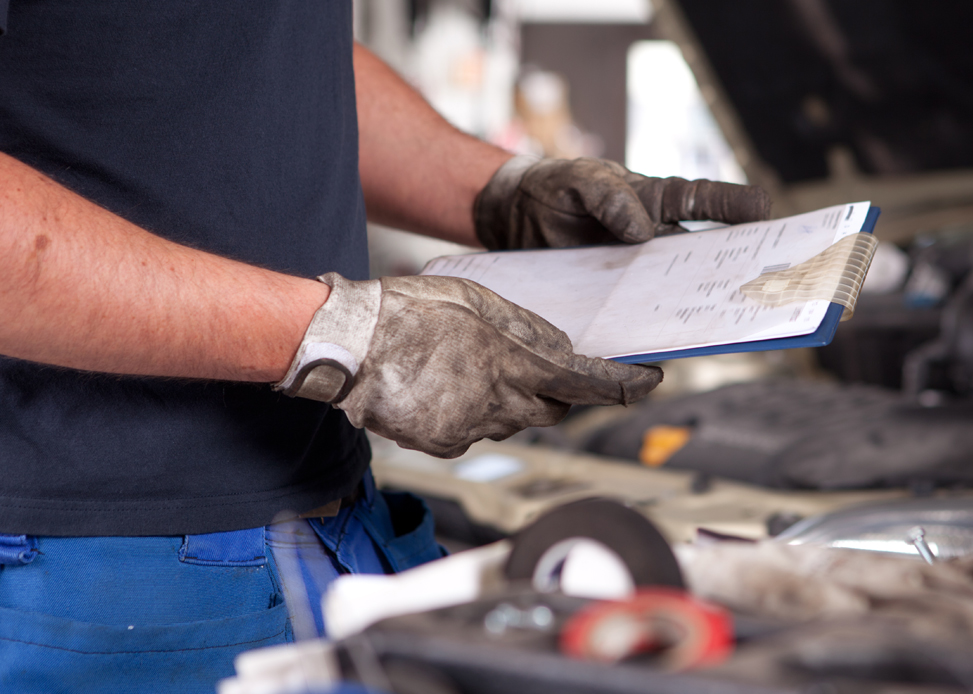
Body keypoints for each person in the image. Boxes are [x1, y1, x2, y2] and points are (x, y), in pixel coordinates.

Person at [0, 3, 770, 692]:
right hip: (89, 575)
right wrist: (337, 335)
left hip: (334, 519)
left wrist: (496, 190)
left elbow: (261, 58)